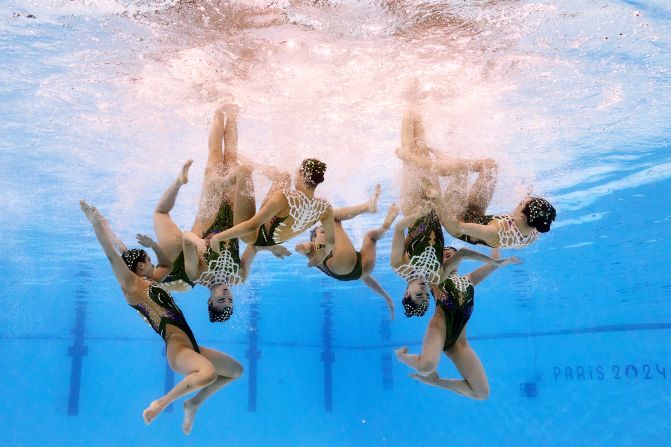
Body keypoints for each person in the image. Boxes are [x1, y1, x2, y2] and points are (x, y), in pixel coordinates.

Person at [80, 200, 242, 435]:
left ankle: (193, 403)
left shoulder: (149, 280)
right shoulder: (131, 287)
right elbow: (113, 256)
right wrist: (95, 224)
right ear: (139, 267)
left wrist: (104, 220)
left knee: (235, 371)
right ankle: (162, 403)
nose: (152, 263)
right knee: (207, 374)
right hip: (177, 349)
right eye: (147, 260)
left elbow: (123, 249)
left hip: (191, 345)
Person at [148, 104, 289, 323]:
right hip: (233, 216)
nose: (226, 296)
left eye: (221, 301)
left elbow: (186, 239)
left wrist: (198, 241)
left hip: (209, 214)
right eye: (230, 301)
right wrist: (272, 248)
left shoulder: (196, 275)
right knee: (231, 156)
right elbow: (253, 246)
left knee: (215, 155)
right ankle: (232, 108)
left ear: (209, 301)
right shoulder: (239, 277)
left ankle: (217, 108)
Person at [395, 106, 556, 249]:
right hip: (477, 214)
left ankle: (409, 157)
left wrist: (438, 200)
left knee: (460, 171)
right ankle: (445, 165)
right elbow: (535, 212)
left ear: (522, 216)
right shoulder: (536, 223)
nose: (519, 201)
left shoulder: (496, 232)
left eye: (521, 203)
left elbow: (456, 227)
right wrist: (527, 193)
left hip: (457, 219)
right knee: (490, 166)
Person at [395, 247, 520, 399]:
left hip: (458, 343)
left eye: (451, 255)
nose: (449, 258)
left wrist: (495, 242)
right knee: (426, 366)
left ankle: (435, 381)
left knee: (481, 393)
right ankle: (401, 356)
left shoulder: (470, 279)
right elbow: (412, 263)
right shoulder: (436, 278)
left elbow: (494, 263)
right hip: (438, 329)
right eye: (445, 257)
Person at [295, 185, 400, 319]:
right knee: (331, 217)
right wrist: (302, 248)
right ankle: (368, 206)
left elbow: (365, 278)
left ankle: (385, 226)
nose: (328, 232)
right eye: (323, 231)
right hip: (343, 266)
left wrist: (386, 297)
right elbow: (305, 247)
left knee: (370, 236)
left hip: (362, 270)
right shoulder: (314, 246)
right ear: (314, 238)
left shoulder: (334, 248)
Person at [209, 158, 335, 267]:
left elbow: (252, 225)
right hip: (273, 239)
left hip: (253, 235)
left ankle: (221, 184)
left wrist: (218, 238)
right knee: (283, 176)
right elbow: (331, 243)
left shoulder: (285, 197)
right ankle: (254, 165)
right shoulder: (325, 207)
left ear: (302, 174)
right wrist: (321, 256)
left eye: (297, 173)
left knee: (244, 170)